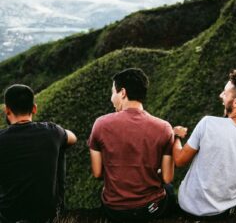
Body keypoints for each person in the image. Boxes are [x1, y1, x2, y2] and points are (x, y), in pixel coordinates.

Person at [173, 70, 236, 218]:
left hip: (187, 206)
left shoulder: (208, 123)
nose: (221, 96)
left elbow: (179, 161)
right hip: (223, 213)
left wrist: (176, 136)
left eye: (225, 93)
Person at [88, 68, 175, 222]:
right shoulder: (165, 128)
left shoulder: (100, 124)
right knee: (169, 189)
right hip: (150, 209)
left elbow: (97, 173)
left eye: (112, 93)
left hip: (115, 210)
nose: (111, 98)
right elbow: (167, 177)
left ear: (122, 92)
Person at [0, 84, 77, 223]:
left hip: (8, 214)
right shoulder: (52, 131)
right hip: (47, 214)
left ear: (7, 110)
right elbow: (73, 138)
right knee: (61, 146)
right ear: (34, 108)